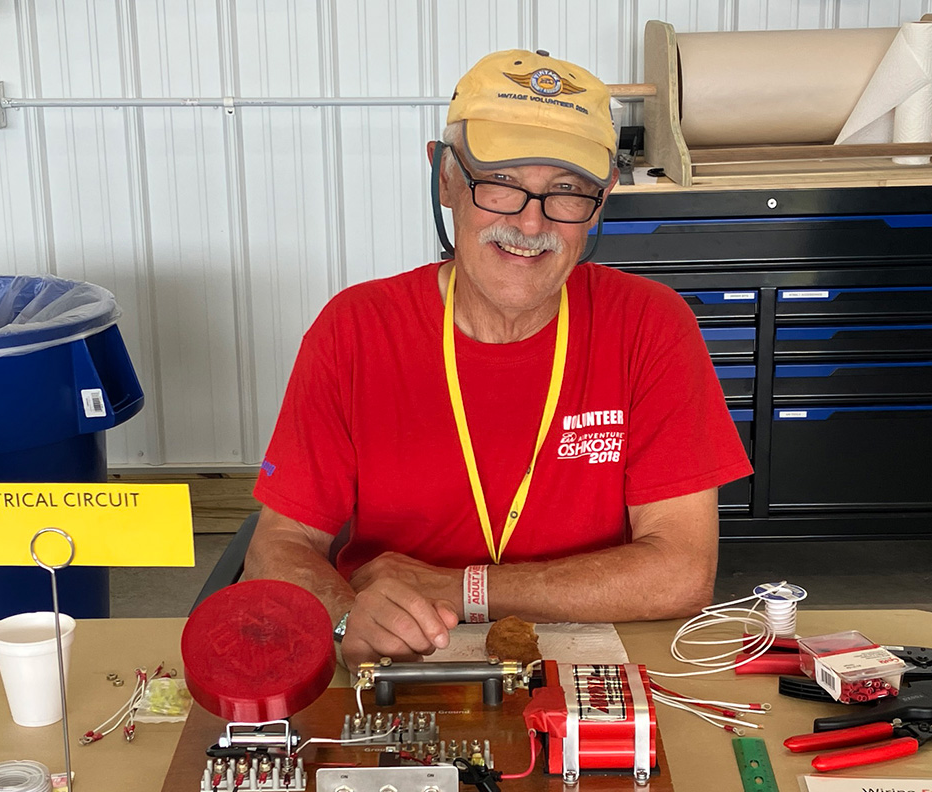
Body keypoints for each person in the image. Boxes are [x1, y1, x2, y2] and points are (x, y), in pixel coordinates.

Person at [245, 47, 752, 668]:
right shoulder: (354, 329)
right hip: (391, 659)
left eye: (567, 192)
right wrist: (346, 612)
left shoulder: (651, 324)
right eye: (501, 183)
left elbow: (681, 572)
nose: (531, 223)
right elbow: (278, 545)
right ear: (445, 176)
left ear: (605, 196)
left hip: (590, 660)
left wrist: (463, 588)